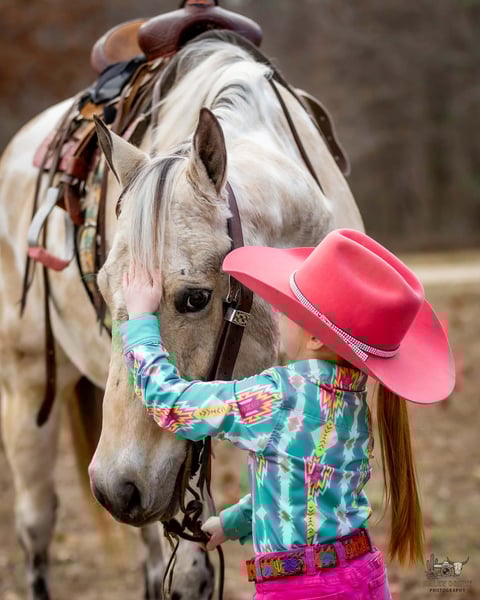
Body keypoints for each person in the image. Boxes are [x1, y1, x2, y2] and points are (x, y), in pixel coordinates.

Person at [120, 228, 455, 599]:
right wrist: (231, 523)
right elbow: (301, 486)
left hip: (300, 588)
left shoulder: (278, 396)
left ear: (315, 338)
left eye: (290, 309)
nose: (278, 312)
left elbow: (172, 405)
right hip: (363, 578)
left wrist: (140, 321)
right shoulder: (352, 401)